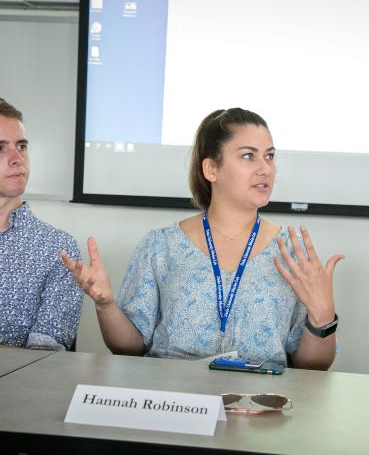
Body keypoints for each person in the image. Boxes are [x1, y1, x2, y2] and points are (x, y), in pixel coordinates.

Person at [63, 108, 343, 369]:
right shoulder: (162, 245)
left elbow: (312, 368)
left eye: (269, 156)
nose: (266, 168)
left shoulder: (290, 252)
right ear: (211, 169)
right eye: (249, 156)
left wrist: (323, 317)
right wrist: (105, 305)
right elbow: (130, 349)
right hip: (173, 403)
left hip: (258, 406)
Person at [0, 98, 83, 350]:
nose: (17, 158)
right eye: (0, 148)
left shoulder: (59, 249)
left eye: (22, 146)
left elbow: (43, 360)